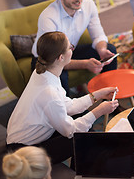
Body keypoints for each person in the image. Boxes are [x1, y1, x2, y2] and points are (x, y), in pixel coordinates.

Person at [7, 31, 119, 165]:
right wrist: (99, 111)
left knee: (85, 124)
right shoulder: (49, 92)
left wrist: (98, 94)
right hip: (24, 153)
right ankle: (79, 172)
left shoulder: (43, 73)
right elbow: (70, 131)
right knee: (83, 137)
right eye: (70, 47)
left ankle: (83, 170)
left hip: (27, 138)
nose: (73, 48)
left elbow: (68, 106)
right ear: (60, 57)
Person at [31, 0, 117, 94]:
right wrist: (85, 64)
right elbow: (55, 60)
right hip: (47, 59)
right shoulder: (49, 17)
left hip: (70, 51)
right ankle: (71, 112)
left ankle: (108, 95)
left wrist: (102, 50)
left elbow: (98, 34)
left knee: (110, 50)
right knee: (60, 76)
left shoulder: (88, 4)